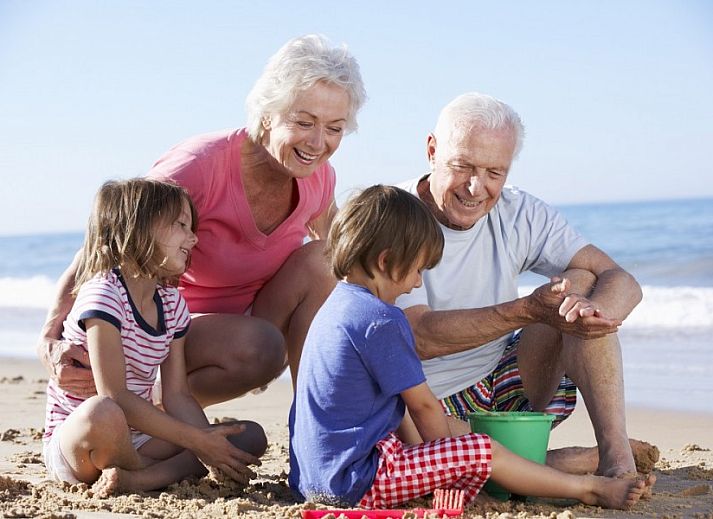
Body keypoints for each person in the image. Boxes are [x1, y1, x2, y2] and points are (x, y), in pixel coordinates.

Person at [37, 34, 367, 406]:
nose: (318, 142)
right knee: (260, 345)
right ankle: (159, 413)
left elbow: (349, 258)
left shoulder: (319, 176)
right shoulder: (198, 166)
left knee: (324, 258)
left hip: (256, 323)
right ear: (267, 114)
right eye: (304, 122)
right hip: (169, 333)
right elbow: (104, 243)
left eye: (335, 128)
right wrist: (49, 337)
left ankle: (312, 422)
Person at [289, 185, 652, 510]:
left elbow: (393, 411)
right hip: (357, 483)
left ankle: (567, 466)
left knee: (439, 439)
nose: (416, 283)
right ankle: (588, 489)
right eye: (417, 271)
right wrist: (451, 468)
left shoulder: (336, 307)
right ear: (385, 262)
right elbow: (424, 406)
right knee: (482, 450)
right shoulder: (381, 320)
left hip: (314, 478)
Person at [395, 92, 645, 478]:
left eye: (495, 173)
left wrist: (593, 321)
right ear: (432, 150)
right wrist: (526, 310)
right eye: (463, 166)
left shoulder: (519, 211)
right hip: (426, 402)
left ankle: (615, 456)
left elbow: (621, 279)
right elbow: (418, 337)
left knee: (580, 282)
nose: (476, 188)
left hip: (505, 380)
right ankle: (562, 463)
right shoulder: (391, 216)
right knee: (565, 295)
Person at [42, 179, 266, 496]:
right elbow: (115, 396)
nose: (193, 238)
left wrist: (209, 444)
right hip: (82, 439)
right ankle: (150, 474)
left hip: (140, 435)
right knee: (103, 412)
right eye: (181, 225)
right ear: (138, 228)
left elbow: (176, 395)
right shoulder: (105, 293)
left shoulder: (172, 304)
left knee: (248, 436)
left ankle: (138, 477)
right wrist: (196, 442)